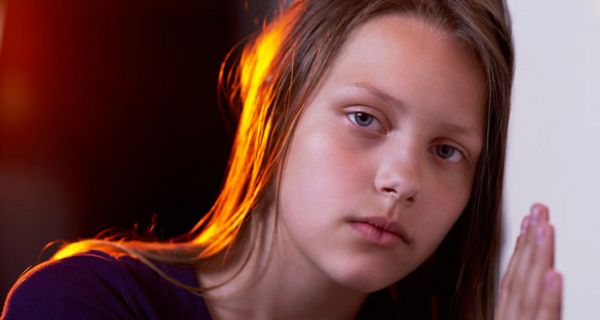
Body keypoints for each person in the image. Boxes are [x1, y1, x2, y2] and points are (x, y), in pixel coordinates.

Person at [2, 0, 562, 319]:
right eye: (365, 118)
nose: (402, 180)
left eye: (447, 150)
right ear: (275, 105)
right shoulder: (81, 302)